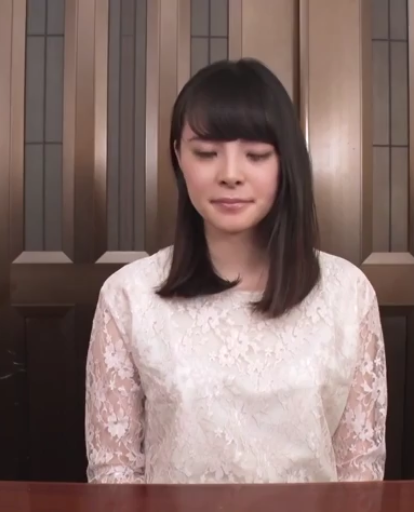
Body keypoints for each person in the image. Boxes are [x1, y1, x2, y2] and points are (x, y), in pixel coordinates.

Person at [85, 58, 387, 484]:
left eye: (256, 155)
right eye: (206, 153)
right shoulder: (129, 296)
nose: (230, 175)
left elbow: (360, 468)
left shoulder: (347, 293)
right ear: (178, 156)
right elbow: (114, 472)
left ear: (285, 162)